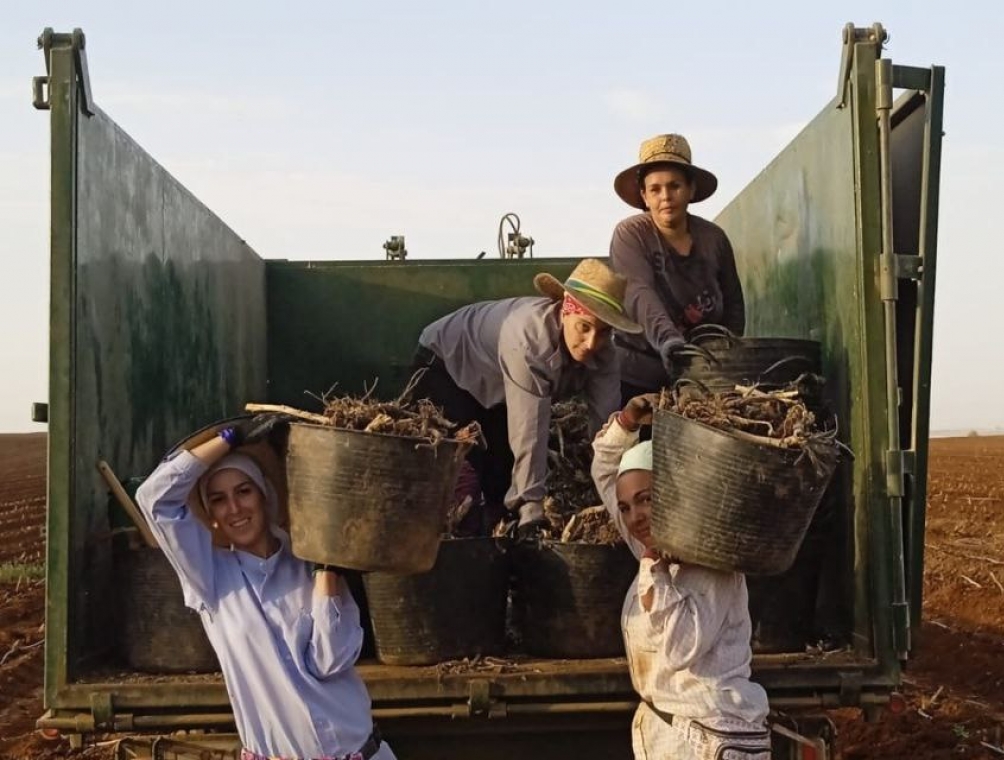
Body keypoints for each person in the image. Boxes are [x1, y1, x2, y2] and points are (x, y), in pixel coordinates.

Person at [135, 415, 398, 760]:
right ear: (211, 513)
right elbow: (154, 498)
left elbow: (330, 659)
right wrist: (230, 439)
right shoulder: (210, 579)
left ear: (265, 496)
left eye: (244, 491)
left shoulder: (311, 564)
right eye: (218, 499)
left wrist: (326, 569)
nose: (234, 509)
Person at [591, 396, 771, 760]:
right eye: (625, 507)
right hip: (678, 732)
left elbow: (680, 648)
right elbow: (610, 474)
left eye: (647, 499)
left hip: (707, 737)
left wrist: (653, 572)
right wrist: (627, 422)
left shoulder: (710, 563)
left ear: (674, 493)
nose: (634, 516)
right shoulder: (655, 548)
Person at [411, 258, 642, 538]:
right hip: (446, 364)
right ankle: (464, 550)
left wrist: (618, 496)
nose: (592, 343)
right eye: (584, 327)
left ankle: (502, 548)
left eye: (604, 332)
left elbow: (606, 427)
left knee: (500, 476)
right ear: (566, 311)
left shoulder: (605, 354)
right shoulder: (528, 340)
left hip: (496, 385)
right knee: (463, 472)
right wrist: (532, 507)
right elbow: (529, 428)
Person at [610, 134, 746, 403]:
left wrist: (724, 360)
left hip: (700, 376)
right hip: (638, 371)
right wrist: (670, 342)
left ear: (691, 190)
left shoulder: (714, 239)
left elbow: (733, 305)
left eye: (675, 186)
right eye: (655, 189)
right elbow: (638, 292)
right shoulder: (631, 234)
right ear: (644, 197)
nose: (666, 197)